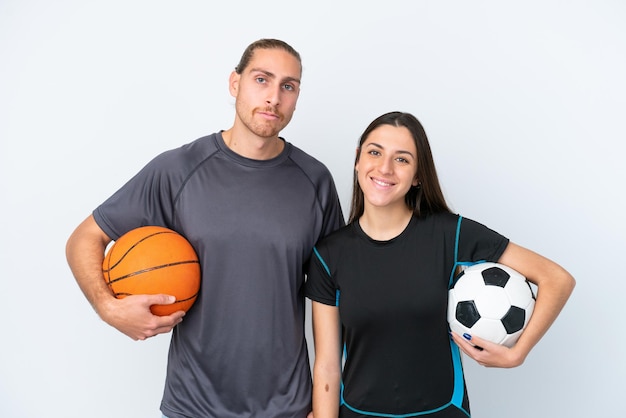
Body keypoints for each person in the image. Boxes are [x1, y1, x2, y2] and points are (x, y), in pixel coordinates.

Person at [66, 38, 344, 418]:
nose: (274, 97)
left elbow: (334, 299)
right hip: (194, 405)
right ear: (235, 84)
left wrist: (326, 406)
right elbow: (85, 238)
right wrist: (108, 307)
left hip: (289, 408)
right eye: (262, 79)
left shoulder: (315, 180)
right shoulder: (178, 170)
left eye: (288, 86)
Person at [305, 111, 575, 418]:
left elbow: (556, 279)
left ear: (418, 174)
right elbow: (326, 367)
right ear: (358, 159)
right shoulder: (328, 255)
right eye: (375, 152)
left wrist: (517, 354)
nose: (384, 168)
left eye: (402, 159)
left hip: (442, 411)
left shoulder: (452, 234)